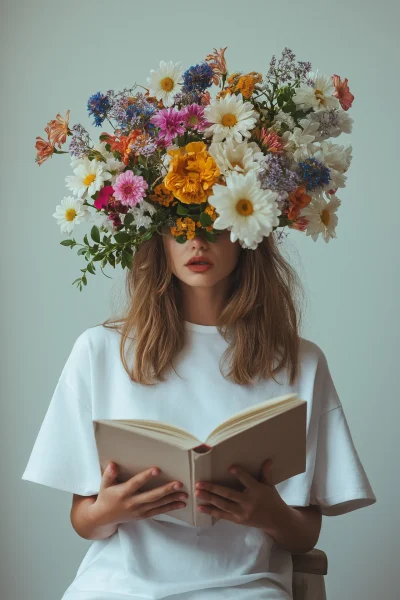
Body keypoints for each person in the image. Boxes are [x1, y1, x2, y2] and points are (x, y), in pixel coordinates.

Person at [22, 226, 376, 600]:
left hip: (244, 590)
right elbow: (83, 521)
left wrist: (270, 513)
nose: (197, 243)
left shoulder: (298, 362)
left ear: (247, 235)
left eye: (215, 228)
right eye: (179, 229)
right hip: (118, 588)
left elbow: (304, 535)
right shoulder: (101, 351)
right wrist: (110, 511)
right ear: (157, 241)